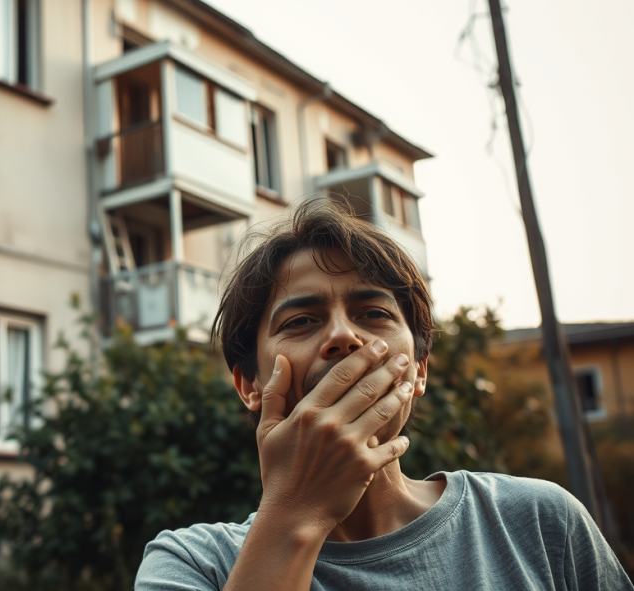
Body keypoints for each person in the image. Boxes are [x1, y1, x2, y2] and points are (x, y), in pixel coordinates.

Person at [134, 199, 632, 590]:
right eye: (301, 320)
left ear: (417, 370)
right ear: (250, 386)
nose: (343, 336)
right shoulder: (193, 564)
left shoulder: (540, 521)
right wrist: (295, 508)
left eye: (373, 313)